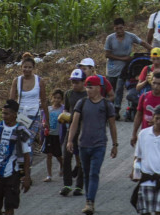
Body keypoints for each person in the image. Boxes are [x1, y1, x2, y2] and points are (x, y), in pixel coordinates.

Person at [67, 75, 118, 215]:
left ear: (98, 88)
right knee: (87, 174)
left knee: (94, 173)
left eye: (90, 87)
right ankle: (89, 201)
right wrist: (70, 140)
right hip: (83, 144)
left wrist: (115, 144)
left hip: (99, 145)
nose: (88, 90)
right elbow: (75, 123)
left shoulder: (107, 105)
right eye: (87, 87)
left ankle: (90, 201)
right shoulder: (82, 103)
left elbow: (112, 125)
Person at [104, 18, 146, 114]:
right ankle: (109, 109)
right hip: (111, 69)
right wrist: (124, 58)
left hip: (123, 70)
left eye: (121, 28)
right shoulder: (110, 38)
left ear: (124, 27)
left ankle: (117, 109)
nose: (119, 31)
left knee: (119, 89)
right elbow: (107, 54)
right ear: (114, 28)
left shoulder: (130, 36)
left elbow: (142, 43)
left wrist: (153, 50)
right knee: (110, 91)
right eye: (117, 29)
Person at [8, 53, 48, 149]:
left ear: (33, 68)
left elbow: (43, 101)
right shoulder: (16, 81)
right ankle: (22, 163)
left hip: (35, 116)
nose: (27, 69)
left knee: (28, 142)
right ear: (21, 67)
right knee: (19, 143)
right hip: (21, 116)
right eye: (25, 67)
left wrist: (47, 120)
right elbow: (11, 100)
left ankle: (27, 162)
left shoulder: (39, 81)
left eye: (30, 67)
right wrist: (9, 117)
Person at [59, 70, 86, 197]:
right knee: (66, 156)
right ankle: (67, 184)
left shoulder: (87, 95)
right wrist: (64, 116)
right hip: (71, 129)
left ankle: (79, 186)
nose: (74, 85)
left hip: (85, 131)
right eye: (73, 82)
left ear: (83, 82)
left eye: (77, 82)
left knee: (81, 159)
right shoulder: (69, 94)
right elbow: (66, 108)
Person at [43, 90, 65, 182]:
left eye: (59, 98)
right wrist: (44, 124)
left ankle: (62, 166)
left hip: (57, 135)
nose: (56, 100)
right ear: (52, 98)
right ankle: (49, 175)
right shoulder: (48, 109)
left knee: (58, 155)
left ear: (62, 99)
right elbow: (44, 120)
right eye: (55, 97)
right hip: (49, 134)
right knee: (49, 155)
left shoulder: (63, 109)